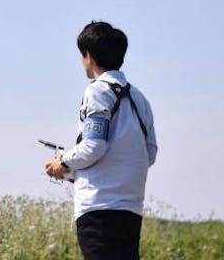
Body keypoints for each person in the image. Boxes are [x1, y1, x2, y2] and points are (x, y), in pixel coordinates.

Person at [45, 21, 158, 260]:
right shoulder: (140, 99)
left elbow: (94, 146)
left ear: (89, 56)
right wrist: (80, 173)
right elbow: (148, 153)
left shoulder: (96, 91)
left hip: (98, 210)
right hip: (130, 210)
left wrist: (63, 162)